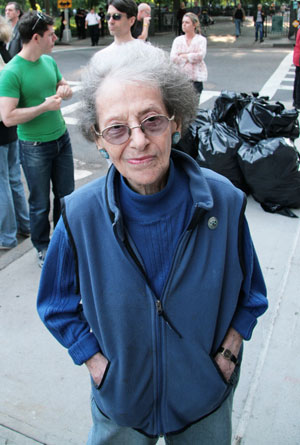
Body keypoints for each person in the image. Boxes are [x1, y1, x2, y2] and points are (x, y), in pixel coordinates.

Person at [37, 41, 268, 444]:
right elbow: (55, 305)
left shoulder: (225, 202)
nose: (139, 141)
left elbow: (252, 294)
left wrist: (227, 357)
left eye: (152, 121)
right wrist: (96, 363)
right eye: (117, 129)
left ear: (176, 121)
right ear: (99, 139)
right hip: (122, 401)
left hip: (204, 399)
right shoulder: (80, 215)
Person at [0, 11, 74, 267]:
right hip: (34, 147)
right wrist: (44, 107)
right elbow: (8, 117)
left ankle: (66, 240)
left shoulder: (48, 62)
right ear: (35, 37)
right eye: (51, 34)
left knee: (66, 197)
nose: (55, 37)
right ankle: (43, 247)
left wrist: (65, 89)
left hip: (61, 139)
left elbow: (64, 86)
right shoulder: (11, 72)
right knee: (40, 203)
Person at [0, 15, 30, 249]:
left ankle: (7, 236)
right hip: (10, 128)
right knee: (13, 179)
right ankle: (25, 224)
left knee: (3, 183)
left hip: (3, 125)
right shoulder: (6, 52)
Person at [170, 12, 207, 97]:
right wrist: (191, 56)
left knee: (194, 107)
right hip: (181, 80)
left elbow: (200, 56)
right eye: (183, 22)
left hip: (195, 79)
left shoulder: (201, 40)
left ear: (194, 25)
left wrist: (184, 55)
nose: (184, 25)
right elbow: (173, 58)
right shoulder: (178, 40)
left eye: (187, 22)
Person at [293, 25, 300, 109]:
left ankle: (296, 100)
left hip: (297, 56)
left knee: (297, 80)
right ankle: (298, 102)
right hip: (299, 57)